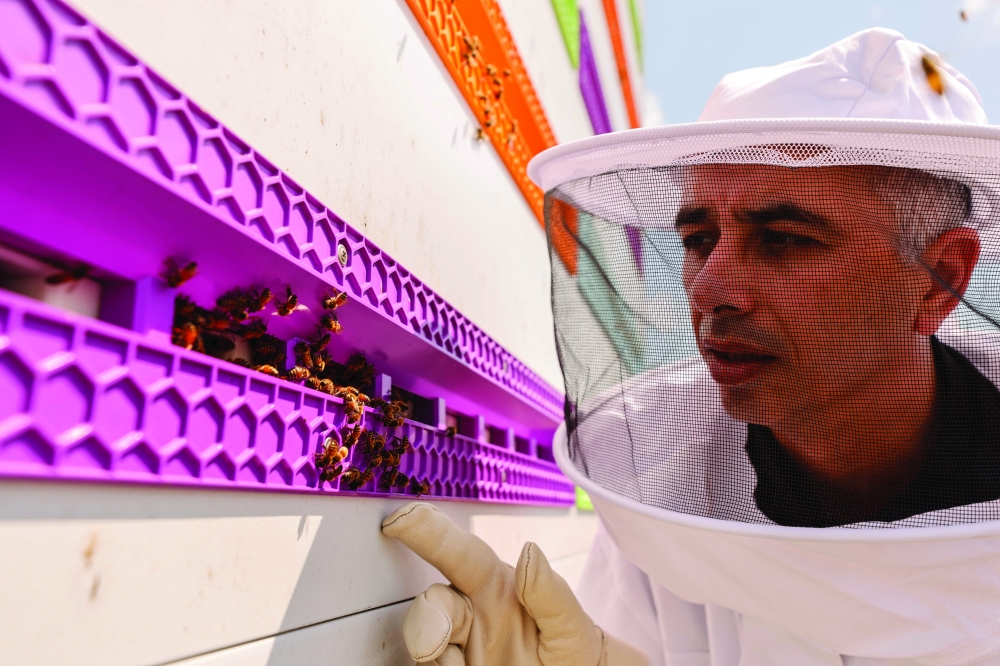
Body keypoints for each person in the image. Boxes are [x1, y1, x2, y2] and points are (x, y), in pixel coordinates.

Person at [382, 28, 1000, 665]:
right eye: (698, 239)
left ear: (941, 278)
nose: (711, 287)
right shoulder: (663, 479)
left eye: (785, 237)